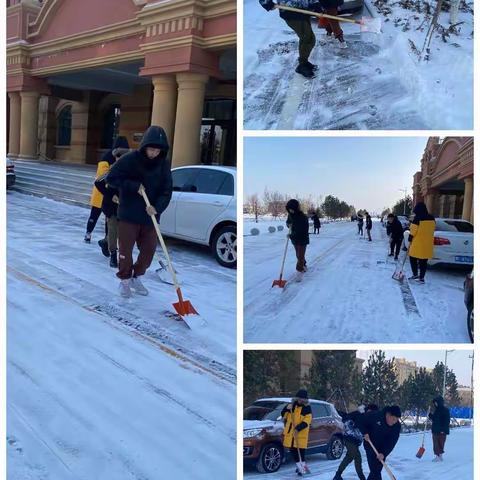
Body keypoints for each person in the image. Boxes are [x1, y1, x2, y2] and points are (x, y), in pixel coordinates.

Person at [106, 126, 172, 298]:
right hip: (128, 214)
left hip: (150, 216)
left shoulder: (163, 165)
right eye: (151, 149)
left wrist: (157, 207)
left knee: (149, 251)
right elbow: (111, 178)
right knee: (125, 251)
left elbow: (167, 191)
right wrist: (134, 186)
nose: (153, 153)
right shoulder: (130, 159)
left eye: (157, 150)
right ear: (144, 146)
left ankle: (136, 276)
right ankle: (125, 281)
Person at [84, 136, 130, 246]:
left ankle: (107, 240)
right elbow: (101, 179)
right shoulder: (106, 159)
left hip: (113, 194)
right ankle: (88, 233)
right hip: (101, 192)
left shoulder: (125, 159)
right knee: (95, 214)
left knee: (109, 219)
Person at [259, 0, 321, 78]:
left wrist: (315, 4)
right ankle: (302, 65)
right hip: (290, 11)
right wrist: (267, 2)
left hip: (304, 10)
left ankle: (304, 62)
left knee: (309, 38)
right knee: (307, 38)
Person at [94, 139, 130, 268]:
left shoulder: (132, 170)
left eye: (124, 155)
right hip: (112, 206)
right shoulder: (111, 170)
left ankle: (105, 242)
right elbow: (98, 182)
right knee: (113, 230)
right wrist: (111, 195)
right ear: (114, 156)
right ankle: (114, 255)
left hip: (126, 206)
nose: (120, 158)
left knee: (122, 231)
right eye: (118, 155)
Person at [334, 404, 379, 480]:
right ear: (369, 410)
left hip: (354, 440)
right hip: (349, 438)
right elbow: (353, 420)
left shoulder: (366, 417)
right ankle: (362, 478)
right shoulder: (361, 415)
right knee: (358, 457)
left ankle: (337, 475)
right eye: (372, 412)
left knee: (349, 457)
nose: (373, 414)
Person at [359, 405, 401, 480]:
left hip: (382, 449)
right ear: (388, 414)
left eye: (396, 420)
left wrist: (384, 453)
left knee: (376, 471)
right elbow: (360, 421)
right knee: (375, 471)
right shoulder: (375, 415)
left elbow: (392, 442)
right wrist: (365, 432)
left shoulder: (397, 426)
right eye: (393, 419)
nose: (394, 422)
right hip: (370, 445)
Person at [281, 389, 313, 476]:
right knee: (293, 452)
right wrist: (286, 409)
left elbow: (307, 421)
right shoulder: (292, 405)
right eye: (299, 398)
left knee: (301, 453)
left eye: (302, 399)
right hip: (290, 434)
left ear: (305, 399)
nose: (300, 400)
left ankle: (302, 468)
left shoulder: (307, 408)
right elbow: (283, 415)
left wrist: (298, 428)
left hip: (300, 434)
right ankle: (300, 467)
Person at [408, 202, 435, 284]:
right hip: (427, 244)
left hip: (418, 243)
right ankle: (422, 278)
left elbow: (413, 230)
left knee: (412, 258)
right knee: (423, 261)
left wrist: (410, 237)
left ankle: (415, 274)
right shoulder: (432, 218)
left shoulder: (417, 218)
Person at [286, 199, 309, 273]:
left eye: (292, 209)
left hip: (302, 239)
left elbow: (302, 231)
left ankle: (299, 271)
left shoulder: (303, 217)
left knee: (300, 256)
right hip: (294, 239)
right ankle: (304, 264)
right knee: (298, 255)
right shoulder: (290, 215)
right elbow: (288, 222)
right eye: (289, 209)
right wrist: (288, 224)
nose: (290, 211)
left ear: (296, 208)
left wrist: (291, 236)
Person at [428, 396, 450, 462]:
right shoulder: (436, 410)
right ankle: (437, 456)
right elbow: (434, 419)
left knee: (441, 443)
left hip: (442, 430)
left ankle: (440, 456)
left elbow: (447, 421)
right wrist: (429, 414)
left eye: (436, 402)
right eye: (434, 403)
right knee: (435, 443)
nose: (435, 404)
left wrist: (443, 430)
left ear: (439, 402)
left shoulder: (445, 410)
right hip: (435, 430)